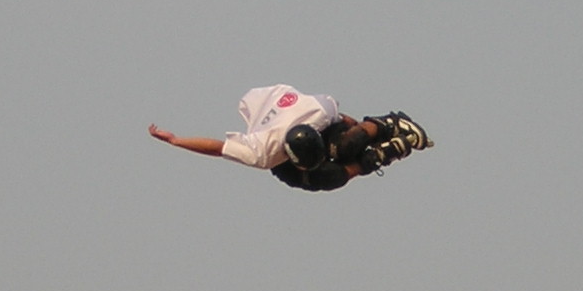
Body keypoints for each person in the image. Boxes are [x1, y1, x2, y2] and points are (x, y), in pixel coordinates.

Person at [148, 84, 431, 191]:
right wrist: (176, 140)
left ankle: (390, 123)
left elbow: (347, 121)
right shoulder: (262, 153)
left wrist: (369, 133)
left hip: (295, 112)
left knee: (345, 146)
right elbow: (218, 148)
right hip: (271, 125)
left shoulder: (319, 111)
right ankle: (377, 157)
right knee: (325, 178)